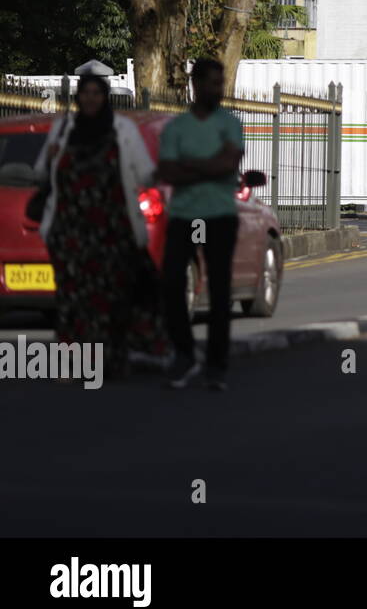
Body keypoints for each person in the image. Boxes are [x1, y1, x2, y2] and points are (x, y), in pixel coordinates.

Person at [35, 63, 166, 379]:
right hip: (70, 234)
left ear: (105, 96)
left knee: (113, 296)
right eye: (86, 93)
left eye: (97, 93)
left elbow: (146, 173)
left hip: (112, 232)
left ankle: (113, 358)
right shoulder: (64, 130)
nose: (91, 99)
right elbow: (41, 174)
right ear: (78, 97)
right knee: (73, 298)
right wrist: (51, 156)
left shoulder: (122, 130)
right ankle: (75, 362)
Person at [157, 59, 245, 391]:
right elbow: (167, 171)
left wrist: (190, 166)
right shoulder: (177, 127)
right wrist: (209, 167)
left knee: (220, 290)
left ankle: (216, 365)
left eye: (221, 84)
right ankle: (184, 352)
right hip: (185, 216)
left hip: (219, 216)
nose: (218, 90)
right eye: (212, 83)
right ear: (195, 85)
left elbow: (228, 164)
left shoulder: (230, 123)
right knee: (171, 282)